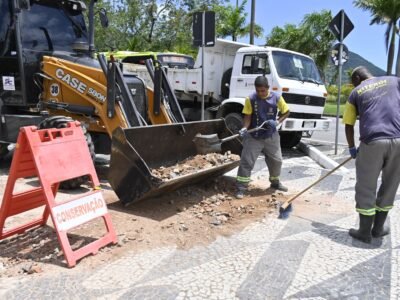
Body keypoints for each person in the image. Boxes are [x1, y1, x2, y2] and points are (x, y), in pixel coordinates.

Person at [343, 66, 400, 243]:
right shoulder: (394, 81)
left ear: (358, 78)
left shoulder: (356, 92)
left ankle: (364, 231)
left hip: (372, 142)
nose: (353, 85)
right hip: (398, 140)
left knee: (366, 186)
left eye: (353, 82)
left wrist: (352, 148)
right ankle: (379, 228)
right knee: (390, 184)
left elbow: (348, 124)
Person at [235, 76, 290, 199]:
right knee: (247, 161)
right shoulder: (251, 99)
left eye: (263, 91)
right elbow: (248, 117)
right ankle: (241, 187)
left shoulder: (276, 97)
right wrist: (245, 128)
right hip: (254, 136)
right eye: (258, 90)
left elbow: (286, 112)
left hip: (271, 135)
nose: (260, 93)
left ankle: (275, 182)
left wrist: (277, 122)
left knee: (277, 161)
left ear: (267, 88)